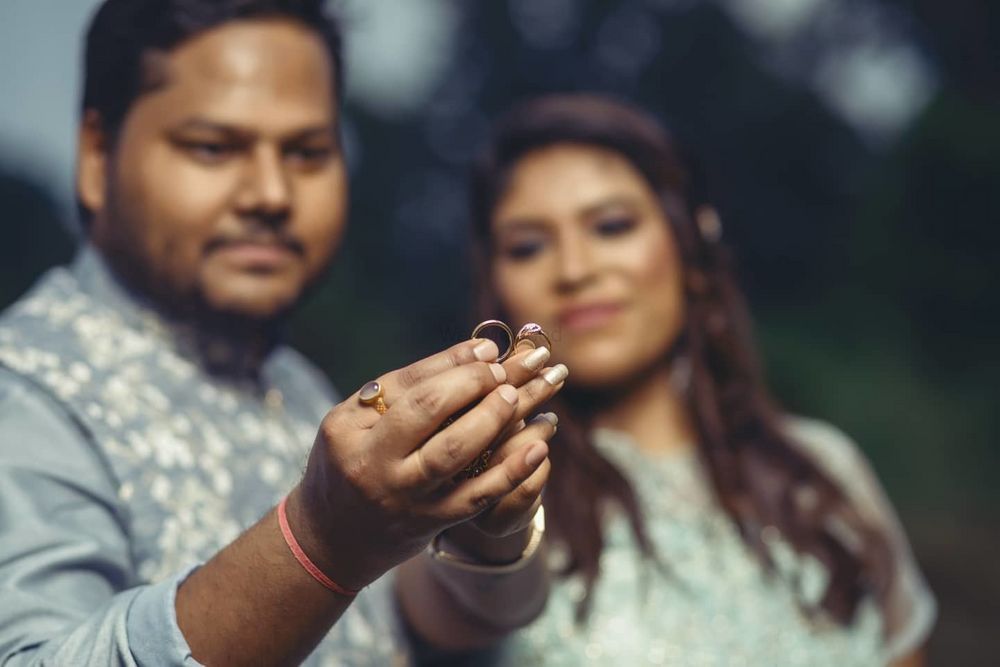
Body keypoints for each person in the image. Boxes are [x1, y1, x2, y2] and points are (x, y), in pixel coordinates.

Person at [0, 2, 570, 665]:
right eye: (213, 147)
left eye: (307, 152)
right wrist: (318, 542)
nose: (271, 192)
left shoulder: (298, 385)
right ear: (98, 155)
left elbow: (412, 628)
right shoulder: (24, 392)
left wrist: (482, 525)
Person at [466, 94, 936, 665]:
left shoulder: (824, 474)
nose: (574, 269)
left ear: (690, 244)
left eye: (611, 226)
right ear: (495, 282)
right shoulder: (483, 504)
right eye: (528, 246)